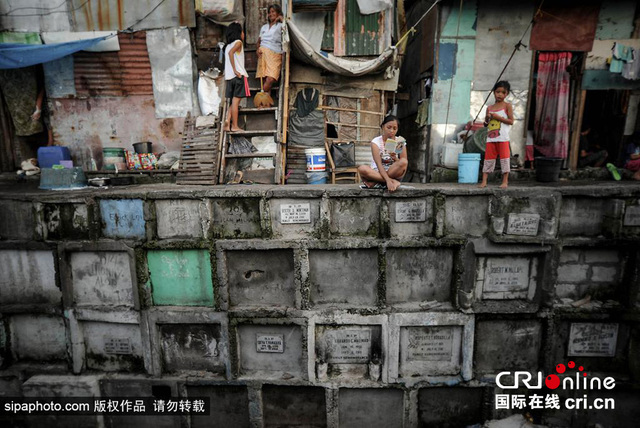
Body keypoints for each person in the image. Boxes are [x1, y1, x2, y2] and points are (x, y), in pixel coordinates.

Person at [357, 115, 408, 192]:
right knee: (362, 168)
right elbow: (378, 164)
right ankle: (391, 181)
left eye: (395, 128)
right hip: (377, 171)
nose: (391, 131)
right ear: (383, 126)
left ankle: (377, 181)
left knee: (404, 161)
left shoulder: (399, 141)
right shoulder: (376, 142)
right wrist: (388, 181)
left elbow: (404, 163)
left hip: (393, 171)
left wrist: (395, 158)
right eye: (389, 127)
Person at [479, 81, 514, 189]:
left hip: (503, 138)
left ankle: (505, 181)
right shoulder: (489, 108)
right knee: (488, 159)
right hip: (491, 138)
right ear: (494, 92)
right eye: (497, 91)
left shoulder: (507, 106)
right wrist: (487, 119)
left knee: (504, 159)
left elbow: (511, 121)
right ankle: (484, 181)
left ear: (506, 94)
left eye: (502, 92)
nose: (500, 94)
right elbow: (486, 124)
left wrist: (499, 118)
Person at [224, 22, 249, 132]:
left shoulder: (227, 46)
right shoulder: (238, 42)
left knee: (233, 102)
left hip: (229, 78)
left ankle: (227, 120)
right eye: (242, 32)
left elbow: (229, 52)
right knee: (236, 102)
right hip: (238, 76)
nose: (243, 34)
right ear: (238, 33)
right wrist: (235, 70)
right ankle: (234, 126)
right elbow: (231, 53)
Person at [256, 4, 284, 95]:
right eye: (269, 12)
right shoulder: (264, 27)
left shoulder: (281, 25)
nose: (271, 14)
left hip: (275, 54)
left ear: (278, 13)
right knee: (264, 79)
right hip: (263, 52)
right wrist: (257, 49)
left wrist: (281, 19)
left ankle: (261, 96)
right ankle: (266, 103)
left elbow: (288, 32)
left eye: (273, 12)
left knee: (271, 78)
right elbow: (259, 41)